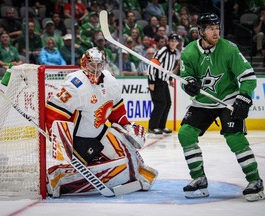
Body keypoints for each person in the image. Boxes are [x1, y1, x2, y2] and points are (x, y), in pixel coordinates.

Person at [45, 47, 158, 197]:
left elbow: (117, 112)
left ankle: (138, 171)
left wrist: (127, 127)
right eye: (92, 65)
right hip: (78, 140)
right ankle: (59, 179)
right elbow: (53, 117)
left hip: (100, 132)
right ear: (84, 64)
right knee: (119, 171)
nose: (96, 69)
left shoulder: (110, 80)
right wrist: (63, 148)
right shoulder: (74, 85)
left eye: (100, 65)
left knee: (127, 151)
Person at [178, 13, 264, 202]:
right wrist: (189, 84)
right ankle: (199, 179)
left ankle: (255, 181)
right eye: (211, 29)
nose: (216, 32)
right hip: (203, 102)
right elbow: (186, 78)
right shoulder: (189, 52)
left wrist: (243, 98)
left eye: (217, 28)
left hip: (229, 99)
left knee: (235, 138)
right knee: (185, 133)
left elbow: (248, 77)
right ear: (200, 31)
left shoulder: (229, 49)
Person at [148, 33, 180, 136]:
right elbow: (152, 66)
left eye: (175, 41)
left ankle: (161, 126)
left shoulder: (174, 53)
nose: (173, 43)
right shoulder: (163, 51)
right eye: (171, 41)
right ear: (168, 42)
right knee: (160, 104)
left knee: (167, 103)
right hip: (157, 80)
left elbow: (169, 68)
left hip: (164, 81)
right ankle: (152, 127)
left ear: (177, 43)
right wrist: (151, 81)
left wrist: (170, 78)